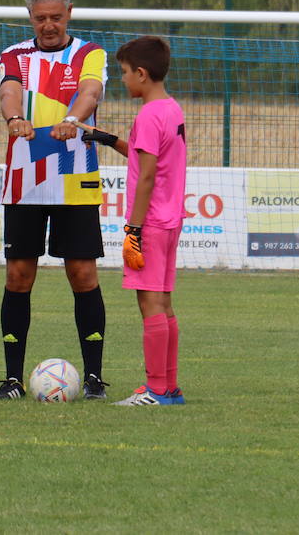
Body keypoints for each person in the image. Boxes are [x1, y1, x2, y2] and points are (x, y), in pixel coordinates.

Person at [0, 0, 109, 400]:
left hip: (75, 178)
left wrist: (73, 121)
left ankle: (93, 378)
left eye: (56, 17)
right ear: (30, 18)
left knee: (83, 274)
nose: (48, 25)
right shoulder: (14, 55)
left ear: (69, 14)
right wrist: (13, 119)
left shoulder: (90, 53)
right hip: (24, 182)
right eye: (40, 18)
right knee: (19, 276)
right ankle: (13, 380)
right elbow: (9, 91)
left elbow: (90, 92)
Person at [87, 35, 187, 407]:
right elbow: (148, 157)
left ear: (142, 74)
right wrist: (108, 139)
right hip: (170, 220)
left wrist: (134, 228)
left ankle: (155, 389)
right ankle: (170, 388)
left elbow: (146, 176)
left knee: (150, 305)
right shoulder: (170, 109)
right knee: (164, 303)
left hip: (151, 223)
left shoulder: (147, 115)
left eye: (125, 73)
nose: (123, 79)